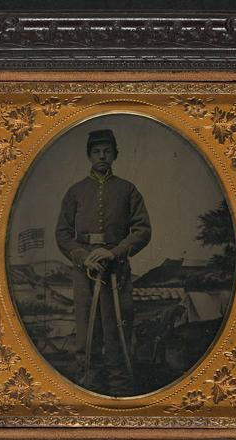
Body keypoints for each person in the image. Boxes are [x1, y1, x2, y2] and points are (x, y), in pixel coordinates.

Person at [55, 129, 151, 396]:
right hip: (84, 271)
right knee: (87, 332)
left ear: (115, 155)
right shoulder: (75, 192)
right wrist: (83, 257)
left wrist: (115, 252)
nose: (102, 156)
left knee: (117, 330)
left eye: (107, 151)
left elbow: (142, 230)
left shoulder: (127, 190)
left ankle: (121, 392)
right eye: (97, 151)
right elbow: (63, 234)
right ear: (89, 155)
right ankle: (88, 391)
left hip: (116, 271)